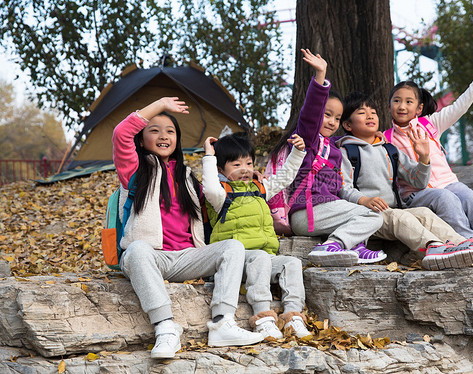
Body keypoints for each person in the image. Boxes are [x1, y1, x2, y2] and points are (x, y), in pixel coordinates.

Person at [112, 98, 263, 358]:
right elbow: (120, 133)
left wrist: (225, 165)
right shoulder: (134, 169)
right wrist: (159, 104)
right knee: (135, 251)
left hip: (187, 257)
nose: (163, 136)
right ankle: (166, 328)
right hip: (151, 256)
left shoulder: (186, 176)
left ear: (177, 140)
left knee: (233, 248)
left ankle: (223, 323)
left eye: (170, 131)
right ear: (141, 140)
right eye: (154, 130)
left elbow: (216, 194)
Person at [338, 91, 473, 270]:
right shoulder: (346, 153)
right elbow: (343, 187)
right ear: (347, 124)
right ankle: (434, 248)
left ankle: (466, 245)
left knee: (425, 214)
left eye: (373, 112)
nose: (370, 115)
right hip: (369, 216)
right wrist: (364, 200)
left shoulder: (389, 150)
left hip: (395, 210)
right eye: (362, 113)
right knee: (399, 217)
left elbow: (418, 182)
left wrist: (424, 158)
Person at [385, 66, 473, 268]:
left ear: (418, 108)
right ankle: (469, 244)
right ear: (390, 105)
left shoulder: (430, 125)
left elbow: (459, 107)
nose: (402, 106)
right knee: (445, 198)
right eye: (397, 101)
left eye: (409, 102)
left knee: (469, 196)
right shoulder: (387, 140)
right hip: (417, 193)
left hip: (448, 183)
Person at [270, 49, 386, 267]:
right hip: (307, 212)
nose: (332, 122)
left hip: (326, 210)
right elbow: (310, 113)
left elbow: (353, 139)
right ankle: (332, 245)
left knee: (364, 214)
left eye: (337, 118)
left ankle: (357, 247)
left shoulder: (333, 146)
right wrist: (320, 77)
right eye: (327, 114)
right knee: (373, 217)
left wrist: (375, 138)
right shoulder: (308, 139)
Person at [202, 133, 313, 340]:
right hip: (236, 261)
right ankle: (263, 318)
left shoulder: (260, 188)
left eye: (249, 163)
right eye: (236, 164)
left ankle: (293, 316)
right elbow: (209, 186)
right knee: (260, 258)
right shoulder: (220, 195)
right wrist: (209, 156)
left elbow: (284, 177)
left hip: (264, 258)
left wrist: (298, 152)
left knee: (292, 262)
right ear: (221, 170)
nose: (244, 169)